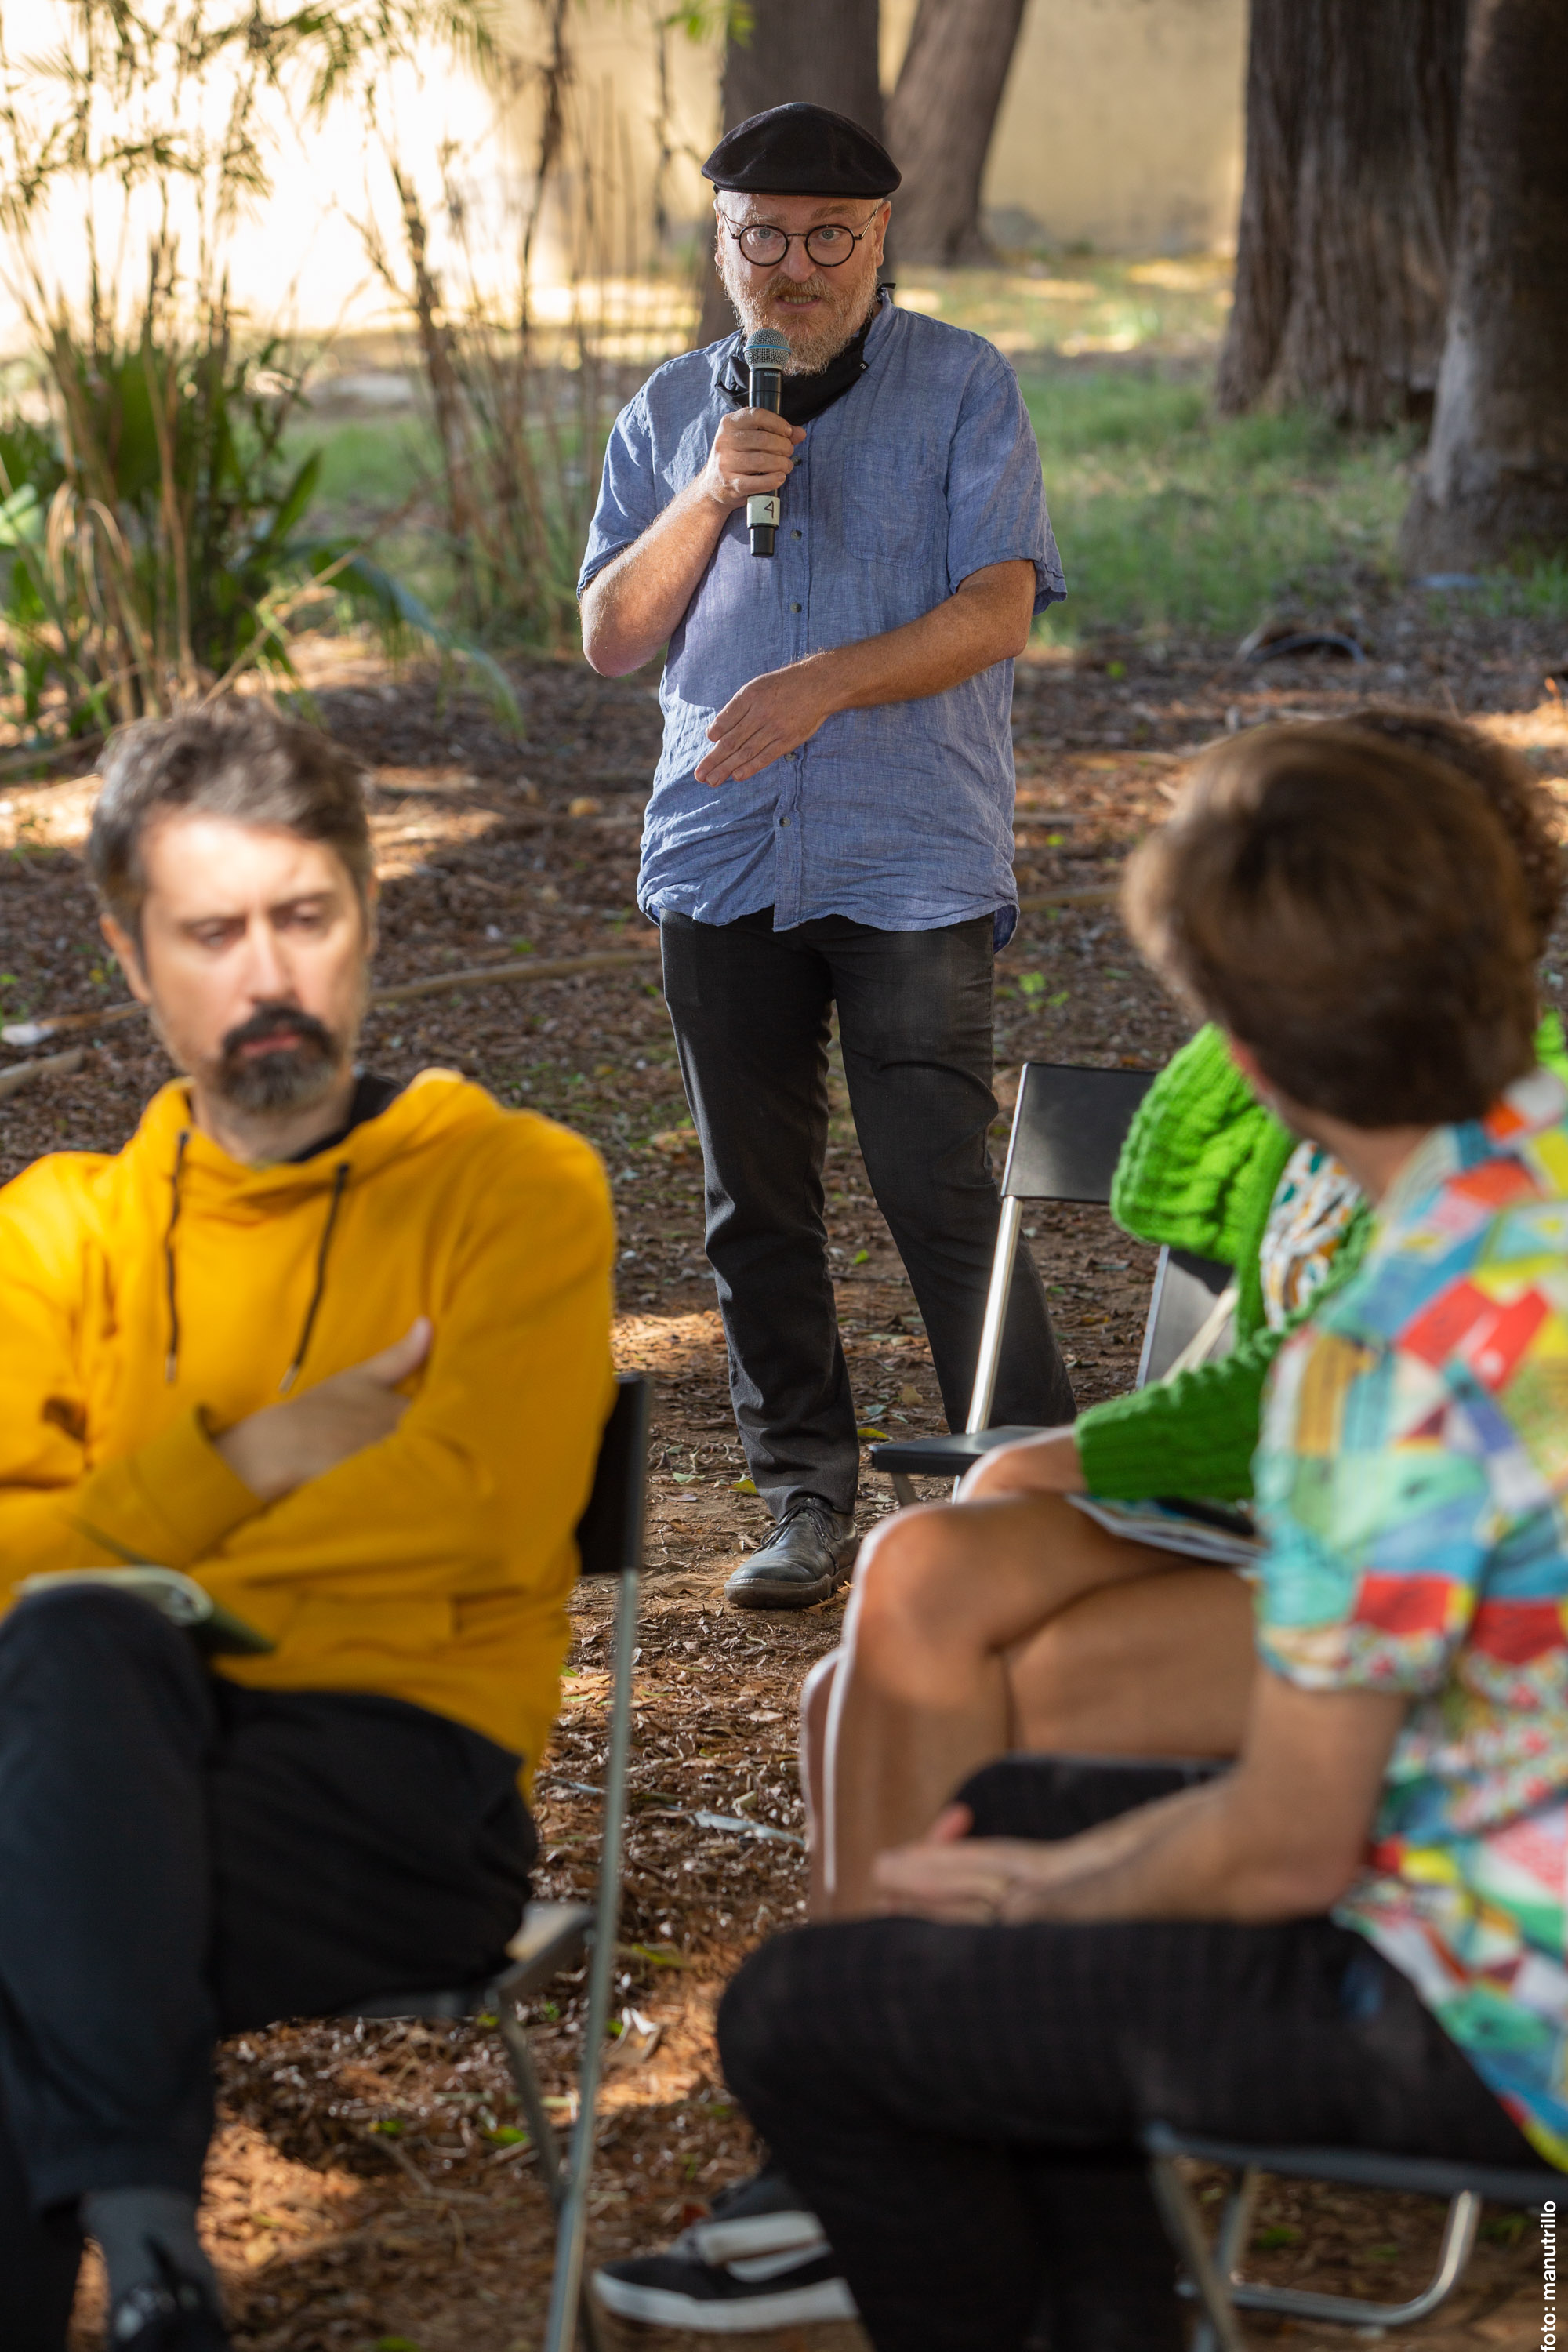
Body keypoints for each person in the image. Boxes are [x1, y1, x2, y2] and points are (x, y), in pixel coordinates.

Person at [593, 706, 1566, 2333]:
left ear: (1246, 1057)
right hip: (1482, 1849)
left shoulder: (1380, 1356)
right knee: (1008, 1808)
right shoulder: (1518, 1190)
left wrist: (1059, 1901)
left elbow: (1289, 1838)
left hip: (1491, 2010)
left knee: (804, 2018)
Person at [0, 702, 615, 2352]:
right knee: (75, 1671)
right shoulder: (57, 1236)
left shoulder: (513, 1192)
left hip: (392, 1795)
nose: (267, 975)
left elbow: (479, 1517)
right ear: (132, 957)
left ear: (367, 915)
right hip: (84, 1784)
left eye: (305, 917)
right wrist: (259, 1456)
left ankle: (142, 2242)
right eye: (213, 934)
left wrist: (101, 1531)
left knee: (62, 1661)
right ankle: (154, 2263)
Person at [579, 99, 1074, 1613]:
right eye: (765, 238)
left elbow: (998, 611)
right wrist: (711, 491)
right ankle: (805, 1495)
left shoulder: (963, 386)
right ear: (724, 241)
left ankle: (1035, 1494)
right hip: (721, 854)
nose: (795, 267)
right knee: (756, 1203)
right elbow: (612, 635)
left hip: (911, 853)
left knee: (937, 1181)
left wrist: (824, 684)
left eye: (828, 238)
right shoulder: (674, 408)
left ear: (879, 238)